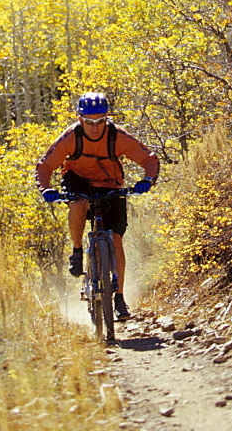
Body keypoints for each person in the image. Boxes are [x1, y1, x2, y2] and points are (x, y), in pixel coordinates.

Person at [35, 92, 160, 321]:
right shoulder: (72, 137)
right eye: (89, 122)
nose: (95, 127)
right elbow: (44, 166)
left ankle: (119, 298)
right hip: (79, 181)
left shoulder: (117, 137)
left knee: (115, 239)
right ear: (80, 119)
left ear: (107, 118)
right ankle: (76, 250)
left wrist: (147, 180)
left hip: (109, 184)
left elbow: (150, 159)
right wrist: (46, 189)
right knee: (78, 203)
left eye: (100, 121)